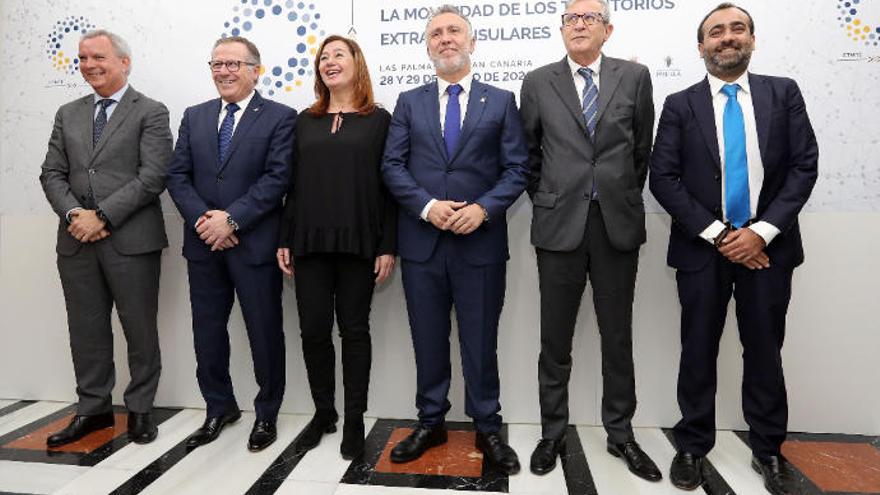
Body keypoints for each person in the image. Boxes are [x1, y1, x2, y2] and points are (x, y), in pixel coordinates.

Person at [649, 4, 818, 494]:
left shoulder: (782, 93)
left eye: (736, 29)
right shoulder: (680, 104)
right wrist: (722, 235)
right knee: (696, 350)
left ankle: (768, 448)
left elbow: (803, 167)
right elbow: (663, 177)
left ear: (751, 40)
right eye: (716, 32)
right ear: (700, 46)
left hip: (769, 250)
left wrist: (761, 232)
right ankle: (691, 445)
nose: (727, 38)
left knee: (765, 350)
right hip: (703, 252)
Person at [381, 4, 528, 475]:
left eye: (454, 32)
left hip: (480, 246)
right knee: (427, 338)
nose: (445, 39)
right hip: (422, 243)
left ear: (471, 42)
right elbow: (392, 166)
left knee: (480, 340)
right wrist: (427, 205)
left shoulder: (502, 101)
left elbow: (518, 168)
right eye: (436, 33)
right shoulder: (408, 101)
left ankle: (487, 426)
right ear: (427, 46)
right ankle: (431, 422)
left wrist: (484, 208)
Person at [519, 0, 661, 481]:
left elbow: (641, 150)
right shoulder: (538, 82)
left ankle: (621, 435)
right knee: (554, 340)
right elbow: (529, 155)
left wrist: (615, 194)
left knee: (616, 337)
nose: (578, 24)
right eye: (570, 18)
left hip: (615, 225)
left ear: (608, 30)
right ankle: (551, 432)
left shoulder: (635, 78)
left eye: (589, 18)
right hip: (559, 226)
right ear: (561, 30)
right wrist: (553, 198)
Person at [39, 29, 172, 447]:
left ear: (123, 62)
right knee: (86, 330)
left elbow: (153, 176)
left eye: (98, 57)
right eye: (82, 58)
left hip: (131, 240)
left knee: (139, 329)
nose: (89, 65)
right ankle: (93, 410)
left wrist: (103, 216)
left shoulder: (151, 111)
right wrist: (74, 214)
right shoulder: (68, 112)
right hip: (76, 240)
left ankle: (140, 410)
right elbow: (51, 172)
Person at [166, 36, 296, 452]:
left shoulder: (280, 117)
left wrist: (233, 219)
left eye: (234, 64)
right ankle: (218, 407)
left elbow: (278, 178)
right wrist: (205, 220)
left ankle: (267, 412)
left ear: (255, 70)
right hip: (203, 243)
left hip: (252, 244)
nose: (224, 71)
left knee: (264, 332)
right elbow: (177, 175)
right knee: (207, 333)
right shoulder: (195, 116)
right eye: (217, 64)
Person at [276, 35, 397, 460]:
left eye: (338, 55)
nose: (329, 62)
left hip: (359, 242)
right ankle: (324, 413)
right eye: (323, 57)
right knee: (312, 332)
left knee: (354, 331)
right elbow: (291, 185)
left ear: (356, 63)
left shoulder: (379, 120)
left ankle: (354, 419)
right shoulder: (303, 120)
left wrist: (387, 245)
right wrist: (285, 237)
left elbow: (390, 188)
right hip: (308, 241)